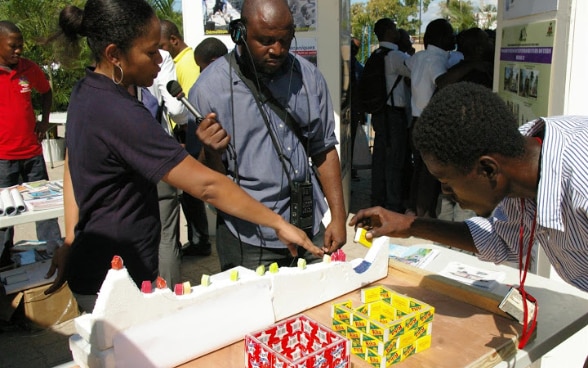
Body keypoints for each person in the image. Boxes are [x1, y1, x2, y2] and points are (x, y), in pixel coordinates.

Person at [44, 0, 323, 313]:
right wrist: (277, 222)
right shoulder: (120, 112)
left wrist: (71, 237)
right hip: (115, 282)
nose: (160, 59)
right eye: (150, 52)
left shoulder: (86, 90)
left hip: (95, 262)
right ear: (114, 55)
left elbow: (72, 162)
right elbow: (207, 186)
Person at [350, 82, 588, 295]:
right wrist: (410, 225)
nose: (444, 192)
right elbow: (501, 240)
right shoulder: (517, 157)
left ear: (487, 170)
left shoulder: (581, 182)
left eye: (446, 180)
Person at [189, 0, 347, 271]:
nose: (277, 50)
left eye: (285, 41)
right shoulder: (208, 91)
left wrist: (339, 217)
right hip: (249, 238)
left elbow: (324, 149)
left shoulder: (309, 78)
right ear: (239, 33)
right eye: (266, 40)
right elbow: (207, 179)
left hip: (308, 225)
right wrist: (210, 150)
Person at [0, 20, 62, 267]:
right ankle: (3, 260)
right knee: (4, 214)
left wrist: (44, 121)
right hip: (3, 158)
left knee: (44, 210)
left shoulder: (28, 69)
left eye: (20, 46)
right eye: (12, 46)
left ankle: (54, 254)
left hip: (32, 154)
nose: (18, 51)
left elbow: (45, 92)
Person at [159, 19, 212, 256]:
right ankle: (197, 239)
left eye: (160, 47)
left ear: (173, 40)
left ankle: (200, 241)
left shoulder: (187, 65)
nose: (159, 54)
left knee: (192, 194)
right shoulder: (176, 62)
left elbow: (188, 108)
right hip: (181, 136)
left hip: (189, 135)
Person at [140, 48, 189, 288]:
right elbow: (178, 110)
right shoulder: (163, 56)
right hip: (158, 156)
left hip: (127, 162)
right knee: (167, 236)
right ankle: (169, 295)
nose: (157, 61)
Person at [181, 37, 228, 257]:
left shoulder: (200, 91)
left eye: (201, 67)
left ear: (215, 60)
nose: (201, 73)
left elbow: (197, 156)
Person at [405, 18, 455, 218]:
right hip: (429, 123)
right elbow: (442, 81)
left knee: (419, 170)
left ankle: (414, 209)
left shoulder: (418, 57)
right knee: (429, 174)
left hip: (416, 120)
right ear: (441, 38)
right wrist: (468, 66)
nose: (454, 38)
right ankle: (424, 215)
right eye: (451, 34)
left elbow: (407, 65)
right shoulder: (435, 60)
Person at [368, 18, 411, 213]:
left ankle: (378, 198)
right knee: (395, 159)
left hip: (380, 113)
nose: (398, 31)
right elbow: (414, 70)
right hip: (394, 114)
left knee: (380, 158)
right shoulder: (395, 56)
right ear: (387, 31)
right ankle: (393, 204)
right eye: (394, 28)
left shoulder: (376, 54)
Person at [349, 36, 364, 181]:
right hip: (348, 109)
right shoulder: (347, 66)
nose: (355, 50)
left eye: (357, 48)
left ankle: (350, 170)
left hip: (353, 110)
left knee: (351, 143)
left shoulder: (358, 67)